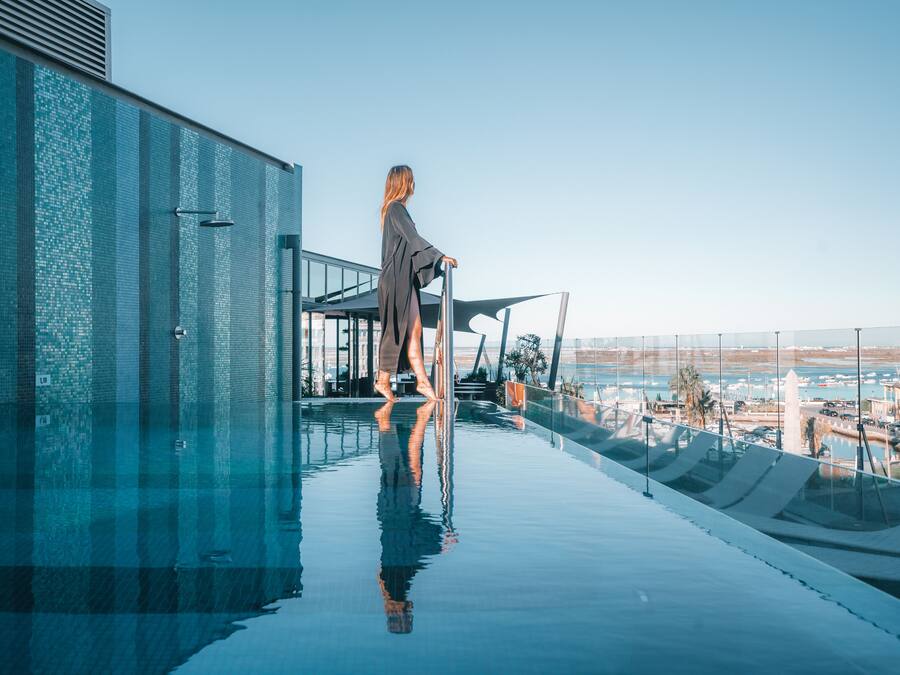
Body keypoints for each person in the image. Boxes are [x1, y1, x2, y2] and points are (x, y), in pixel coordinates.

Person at [375, 165, 458, 401]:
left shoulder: (396, 210)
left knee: (415, 330)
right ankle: (383, 380)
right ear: (403, 182)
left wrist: (437, 261)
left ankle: (421, 381)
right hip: (395, 279)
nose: (413, 184)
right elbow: (414, 239)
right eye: (410, 180)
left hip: (404, 277)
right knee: (396, 329)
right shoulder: (395, 208)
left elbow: (410, 245)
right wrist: (439, 257)